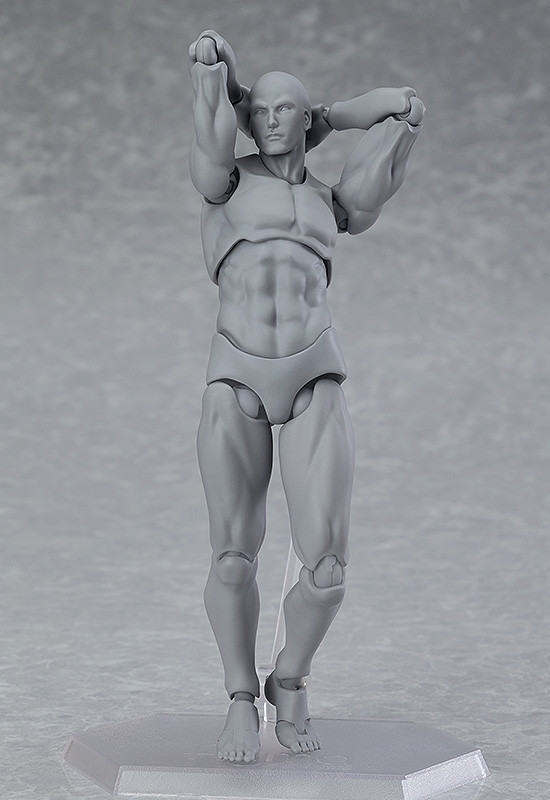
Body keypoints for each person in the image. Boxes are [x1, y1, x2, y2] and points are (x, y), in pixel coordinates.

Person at [189, 29, 424, 763]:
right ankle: (239, 697)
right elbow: (210, 116)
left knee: (327, 572)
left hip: (314, 373)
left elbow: (402, 111)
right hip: (236, 374)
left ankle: (288, 678)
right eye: (259, 110)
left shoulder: (331, 202)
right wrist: (219, 77)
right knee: (233, 558)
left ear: (304, 116)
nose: (270, 120)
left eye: (284, 109)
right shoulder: (224, 183)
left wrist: (330, 116)